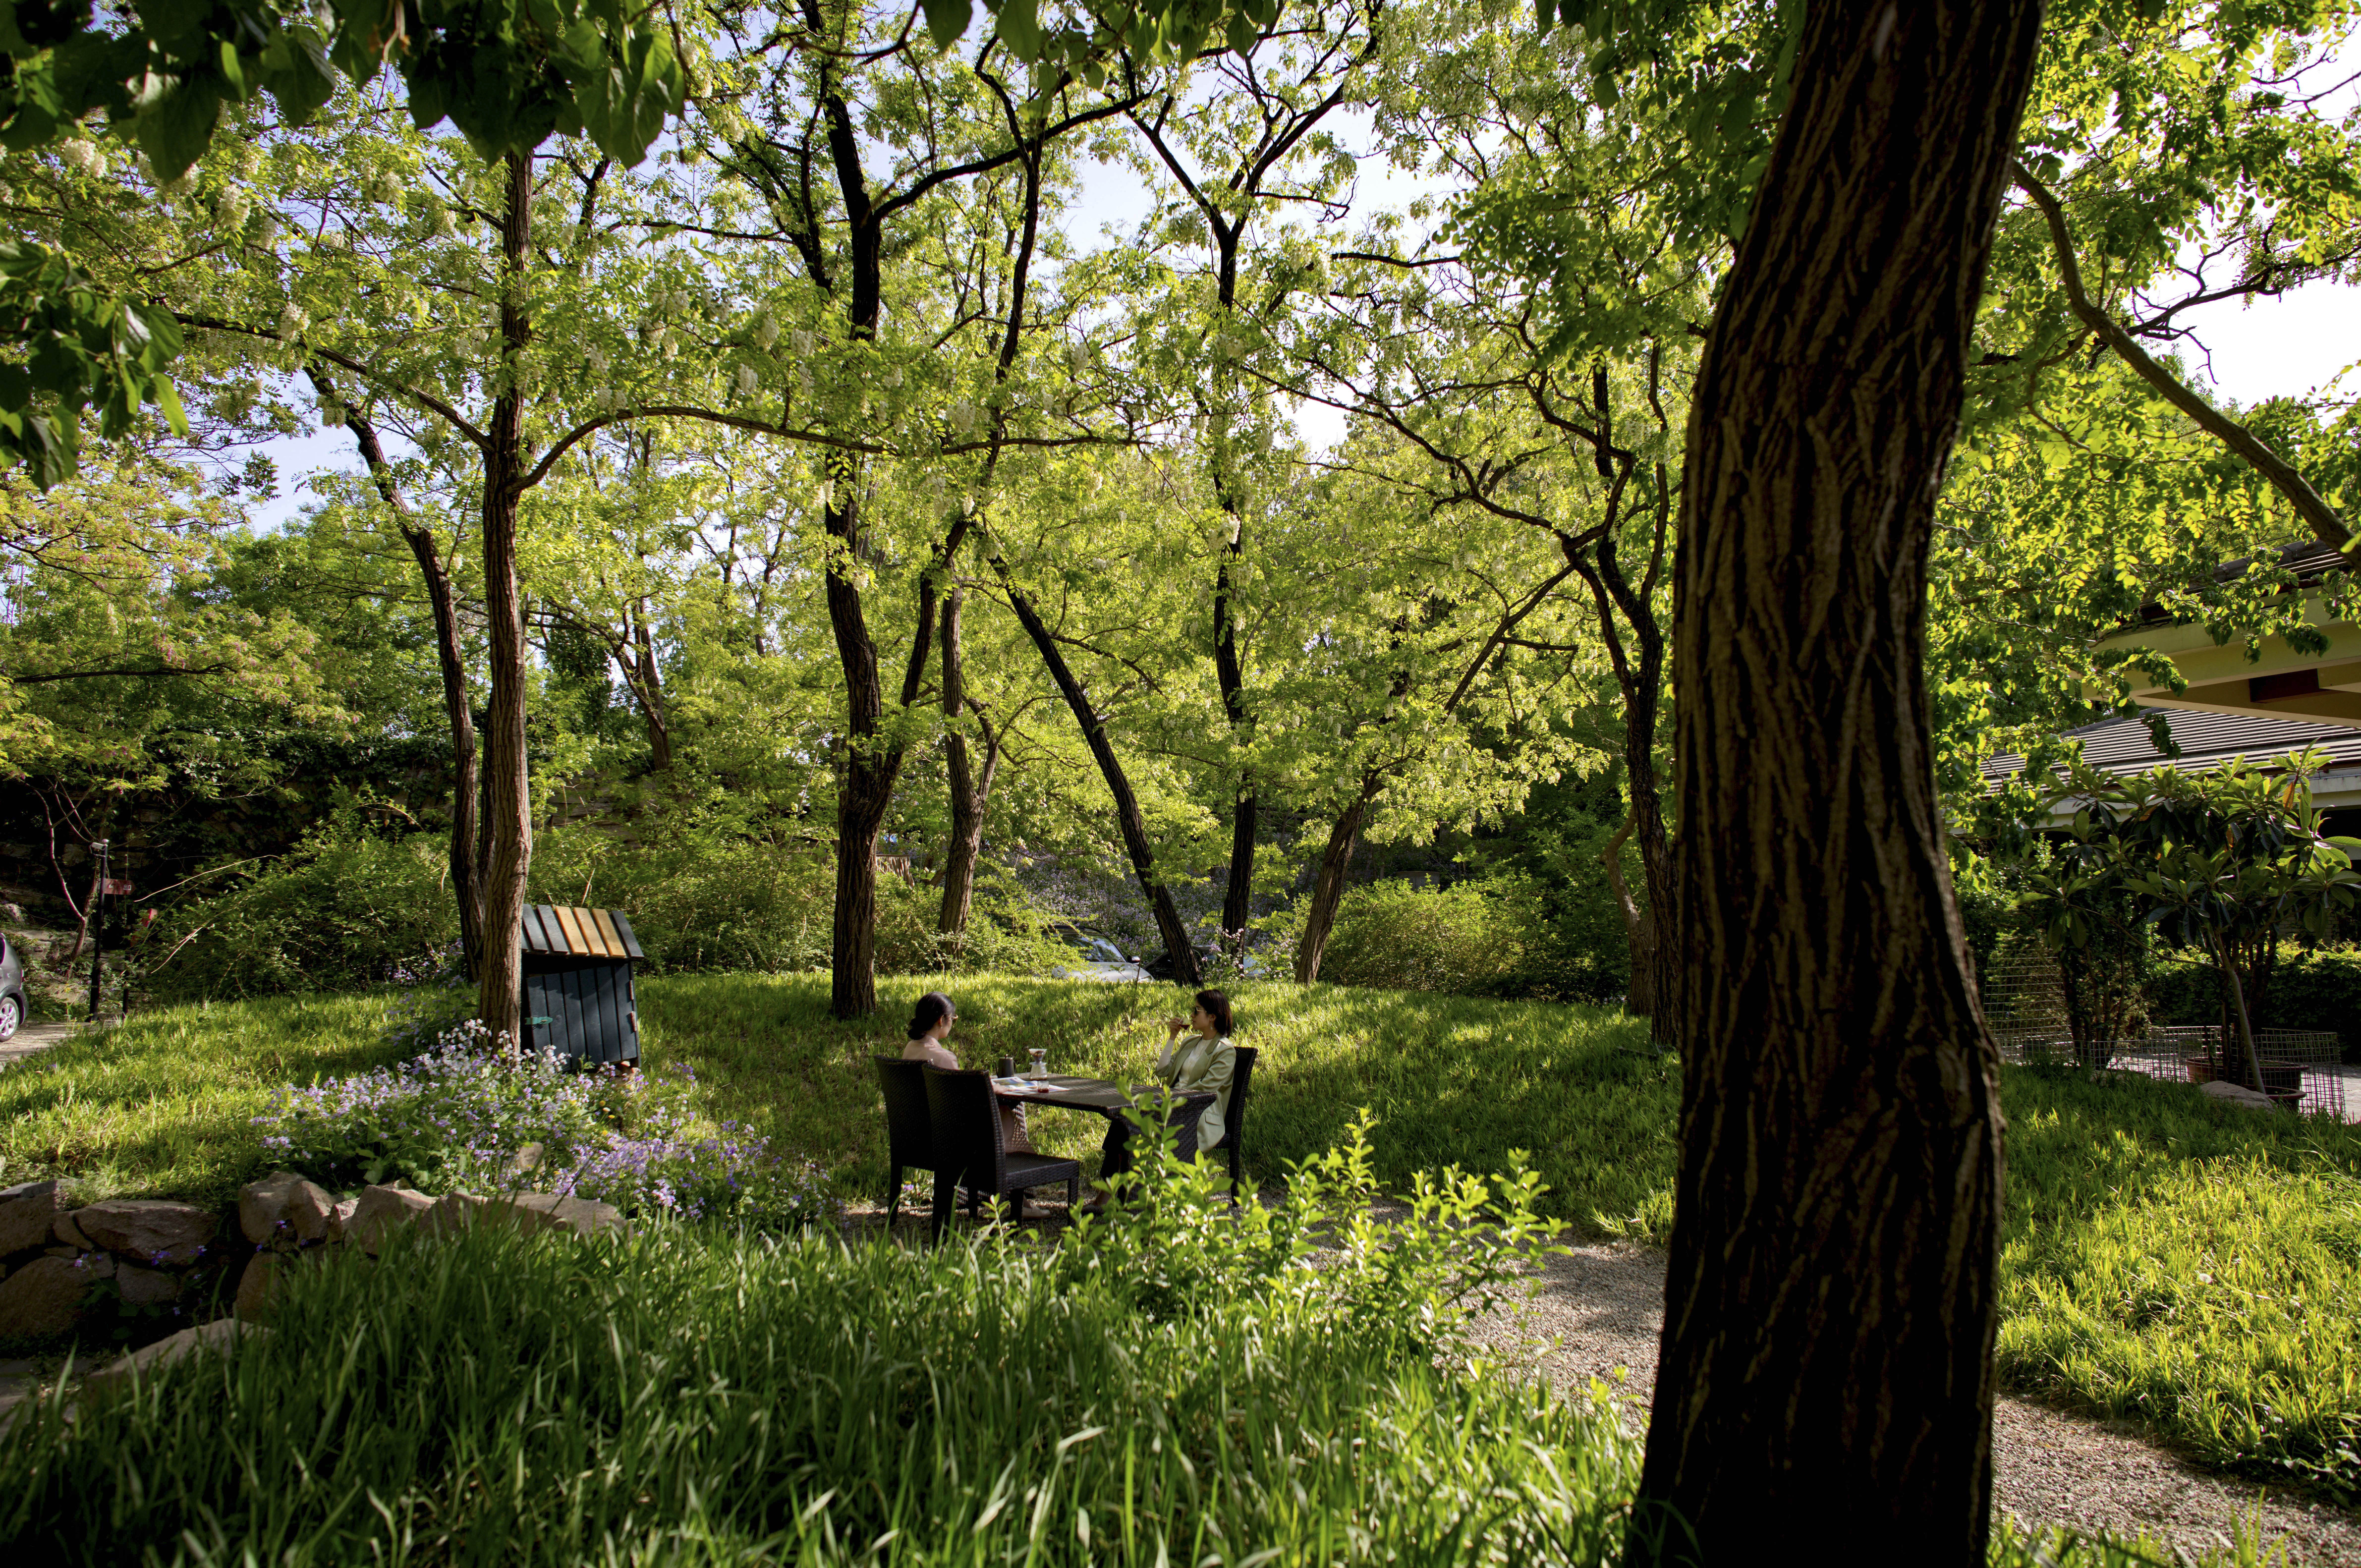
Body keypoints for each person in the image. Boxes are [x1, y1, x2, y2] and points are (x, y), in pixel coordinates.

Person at [1082, 988, 1237, 1214]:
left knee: (1134, 1123)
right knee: (1123, 1119)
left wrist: (1169, 1099)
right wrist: (1173, 1037)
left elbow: (1206, 1090)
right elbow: (1162, 1069)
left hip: (1196, 1114)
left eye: (1197, 1011)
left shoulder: (1225, 1051)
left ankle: (1130, 1198)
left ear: (1212, 1017)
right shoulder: (1191, 1042)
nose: (1192, 1015)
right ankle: (1110, 1191)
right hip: (1171, 1105)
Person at [901, 992, 1031, 1154]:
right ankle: (1014, 1163)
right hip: (949, 1142)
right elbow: (961, 1103)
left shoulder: (910, 1048)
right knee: (1004, 1108)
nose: (953, 1024)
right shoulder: (943, 1057)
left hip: (918, 1137)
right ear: (942, 1020)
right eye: (953, 1020)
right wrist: (991, 1088)